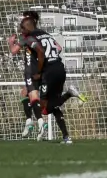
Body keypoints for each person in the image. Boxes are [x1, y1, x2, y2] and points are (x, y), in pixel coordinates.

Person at [20, 14, 73, 144]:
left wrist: (38, 71)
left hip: (48, 72)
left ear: (27, 28)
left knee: (45, 108)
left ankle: (69, 94)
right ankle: (66, 137)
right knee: (53, 104)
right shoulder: (46, 34)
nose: (21, 31)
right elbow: (59, 48)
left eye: (22, 28)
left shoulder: (31, 37)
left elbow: (41, 52)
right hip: (60, 68)